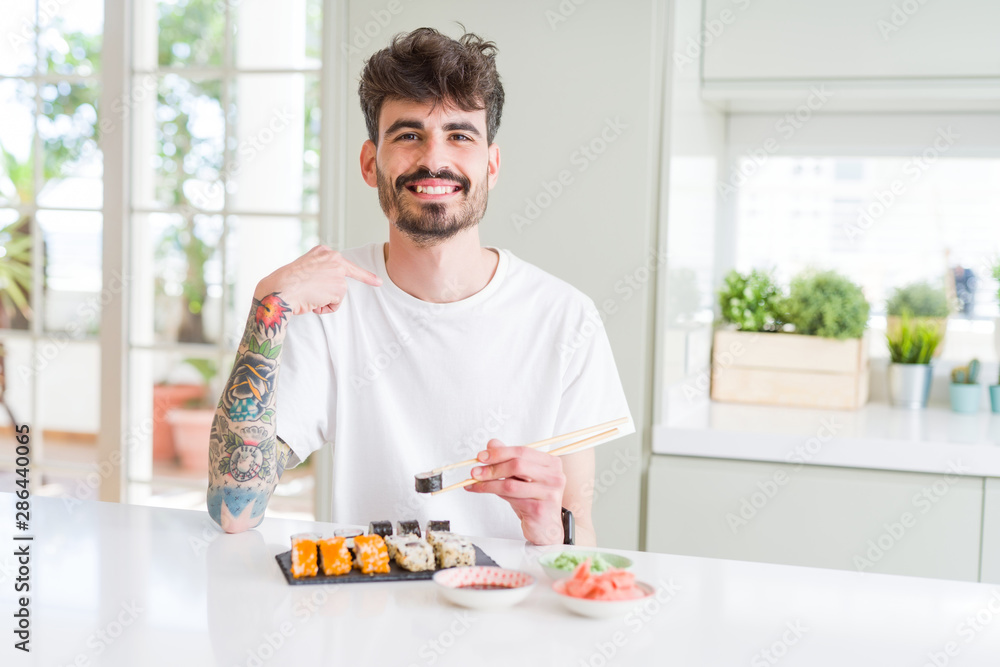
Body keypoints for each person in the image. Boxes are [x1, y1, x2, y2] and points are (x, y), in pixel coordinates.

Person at [206, 27, 633, 545]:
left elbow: (580, 537)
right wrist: (268, 309)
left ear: (491, 165)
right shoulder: (330, 306)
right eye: (408, 135)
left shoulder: (566, 317)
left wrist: (547, 525)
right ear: (371, 163)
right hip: (369, 611)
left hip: (514, 614)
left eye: (460, 135)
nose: (435, 159)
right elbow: (234, 508)